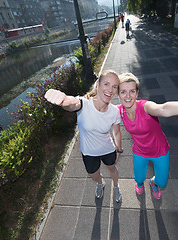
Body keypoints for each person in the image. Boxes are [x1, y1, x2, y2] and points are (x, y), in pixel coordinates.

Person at [44, 70, 123, 202]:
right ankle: (100, 183)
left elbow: (116, 132)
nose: (110, 89)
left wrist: (119, 149)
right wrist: (63, 100)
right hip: (89, 153)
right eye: (106, 84)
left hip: (108, 149)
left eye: (114, 86)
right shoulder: (83, 103)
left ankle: (116, 187)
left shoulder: (114, 111)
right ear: (98, 84)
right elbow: (72, 103)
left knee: (112, 169)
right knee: (93, 175)